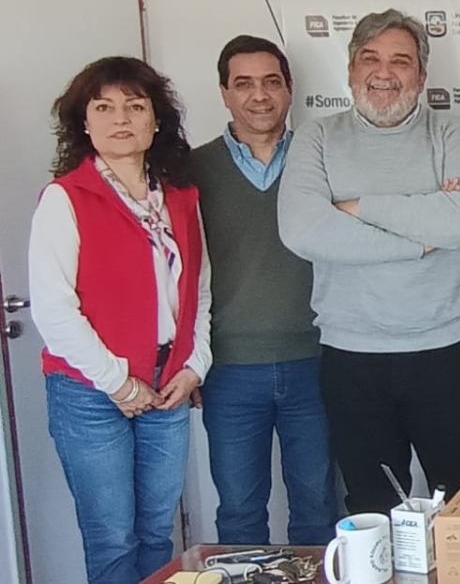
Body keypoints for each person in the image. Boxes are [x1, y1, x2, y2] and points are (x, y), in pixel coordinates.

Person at [278, 9, 460, 515]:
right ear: (351, 69)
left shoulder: (452, 133)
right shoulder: (316, 137)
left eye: (401, 61)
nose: (384, 72)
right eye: (370, 58)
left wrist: (357, 207)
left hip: (445, 352)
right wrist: (421, 238)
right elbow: (303, 230)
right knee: (370, 507)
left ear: (421, 75)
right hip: (352, 357)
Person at [28, 56, 211, 584]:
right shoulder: (65, 198)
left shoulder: (180, 197)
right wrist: (119, 383)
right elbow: (54, 309)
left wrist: (195, 365)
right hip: (91, 392)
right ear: (84, 123)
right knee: (112, 539)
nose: (121, 118)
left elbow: (200, 288)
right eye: (104, 107)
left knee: (157, 535)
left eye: (135, 106)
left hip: (167, 386)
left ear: (156, 119)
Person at [193, 35, 336, 545]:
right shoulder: (190, 171)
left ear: (289, 90)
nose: (259, 95)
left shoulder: (324, 160)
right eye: (244, 84)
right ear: (224, 93)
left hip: (316, 361)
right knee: (239, 516)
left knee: (318, 509)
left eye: (271, 82)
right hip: (229, 369)